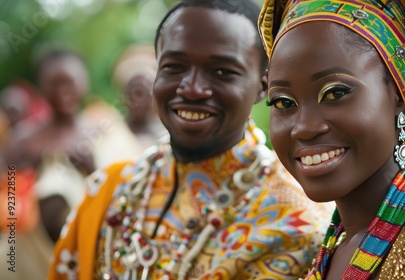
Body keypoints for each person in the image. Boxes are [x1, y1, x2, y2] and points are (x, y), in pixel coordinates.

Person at [48, 0, 334, 279]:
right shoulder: (111, 190)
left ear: (263, 86)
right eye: (174, 67)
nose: (193, 89)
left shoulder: (293, 223)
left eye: (222, 72)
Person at [259, 0, 405, 279]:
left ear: (399, 93)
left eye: (335, 93)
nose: (304, 128)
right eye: (283, 102)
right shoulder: (337, 243)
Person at [1, 48, 94, 279]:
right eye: (54, 84)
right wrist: (25, 173)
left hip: (83, 255)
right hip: (26, 256)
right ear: (41, 86)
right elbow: (7, 200)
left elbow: (117, 195)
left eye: (70, 83)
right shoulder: (23, 138)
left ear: (84, 82)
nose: (63, 92)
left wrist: (90, 169)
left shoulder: (100, 132)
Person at [112, 44, 166, 150]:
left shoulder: (165, 134)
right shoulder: (113, 133)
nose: (139, 102)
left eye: (145, 94)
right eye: (133, 94)